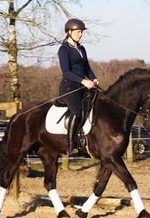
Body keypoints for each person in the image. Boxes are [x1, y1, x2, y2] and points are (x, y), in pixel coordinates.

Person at [58, 18, 99, 157]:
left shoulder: (81, 48)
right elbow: (66, 72)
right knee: (77, 112)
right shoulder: (64, 49)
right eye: (78, 32)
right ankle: (71, 145)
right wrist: (83, 81)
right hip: (69, 86)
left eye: (81, 32)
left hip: (83, 85)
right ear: (69, 32)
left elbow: (86, 67)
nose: (80, 34)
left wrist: (93, 78)